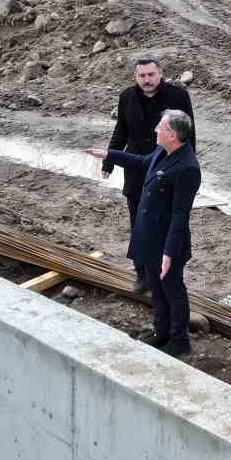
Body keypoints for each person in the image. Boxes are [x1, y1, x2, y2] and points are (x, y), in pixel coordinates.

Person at [86, 110, 201, 357]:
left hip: (168, 241)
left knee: (172, 289)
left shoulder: (187, 167)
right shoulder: (163, 151)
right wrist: (109, 155)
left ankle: (179, 339)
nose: (155, 130)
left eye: (160, 127)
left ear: (172, 135)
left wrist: (170, 253)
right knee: (156, 288)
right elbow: (140, 162)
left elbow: (180, 215)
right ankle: (161, 332)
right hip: (149, 236)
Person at [104, 55, 195, 293]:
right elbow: (120, 130)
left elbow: (189, 136)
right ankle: (142, 273)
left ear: (160, 74)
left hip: (167, 167)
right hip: (136, 168)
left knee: (164, 221)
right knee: (139, 222)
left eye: (151, 75)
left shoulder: (178, 97)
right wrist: (109, 161)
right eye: (142, 76)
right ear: (135, 77)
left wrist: (188, 167)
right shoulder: (126, 97)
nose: (147, 80)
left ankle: (166, 273)